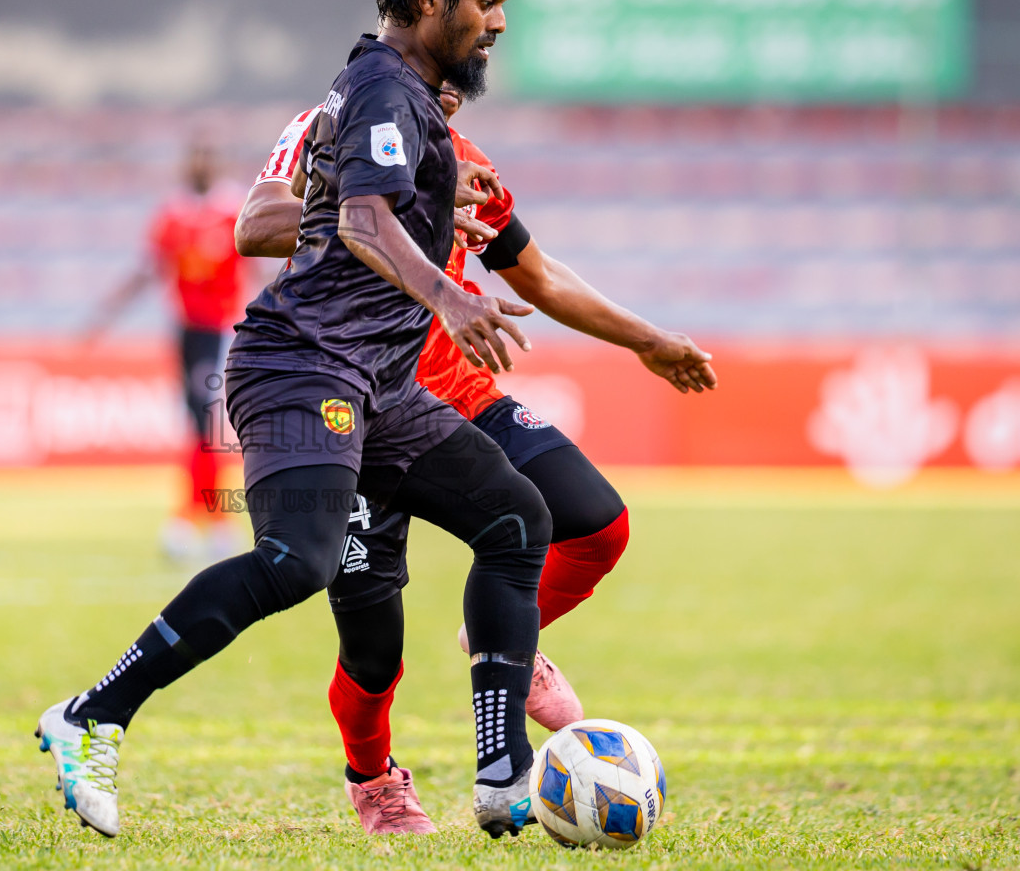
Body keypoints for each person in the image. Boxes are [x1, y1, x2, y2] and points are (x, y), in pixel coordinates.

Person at [38, 0, 564, 841]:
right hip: (300, 365)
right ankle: (91, 716)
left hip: (376, 381)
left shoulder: (406, 98)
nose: (500, 21)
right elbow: (358, 223)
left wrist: (450, 189)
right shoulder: (379, 88)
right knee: (296, 562)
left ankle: (500, 770)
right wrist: (450, 297)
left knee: (516, 517)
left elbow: (363, 206)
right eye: (488, 2)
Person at [237, 83, 716, 835]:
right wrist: (413, 205)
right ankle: (374, 782)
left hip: (461, 399)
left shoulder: (474, 167)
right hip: (358, 411)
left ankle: (502, 644)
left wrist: (647, 340)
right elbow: (257, 222)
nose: (463, 77)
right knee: (372, 651)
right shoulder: (328, 123)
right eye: (467, 29)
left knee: (596, 525)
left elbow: (541, 277)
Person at [86, 136, 247, 560]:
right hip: (186, 330)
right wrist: (107, 314)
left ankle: (200, 520)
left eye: (206, 157)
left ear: (217, 164)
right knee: (198, 425)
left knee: (204, 422)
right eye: (194, 157)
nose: (199, 165)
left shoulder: (233, 209)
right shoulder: (172, 214)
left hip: (220, 329)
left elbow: (256, 265)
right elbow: (149, 269)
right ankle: (208, 520)